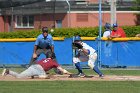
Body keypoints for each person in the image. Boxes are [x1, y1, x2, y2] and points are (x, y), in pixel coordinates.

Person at [2, 58, 71, 79]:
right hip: (40, 69)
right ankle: (44, 76)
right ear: (53, 58)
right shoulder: (54, 62)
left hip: (33, 66)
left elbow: (39, 65)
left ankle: (8, 71)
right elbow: (63, 70)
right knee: (45, 76)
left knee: (19, 76)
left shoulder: (44, 59)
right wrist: (69, 73)